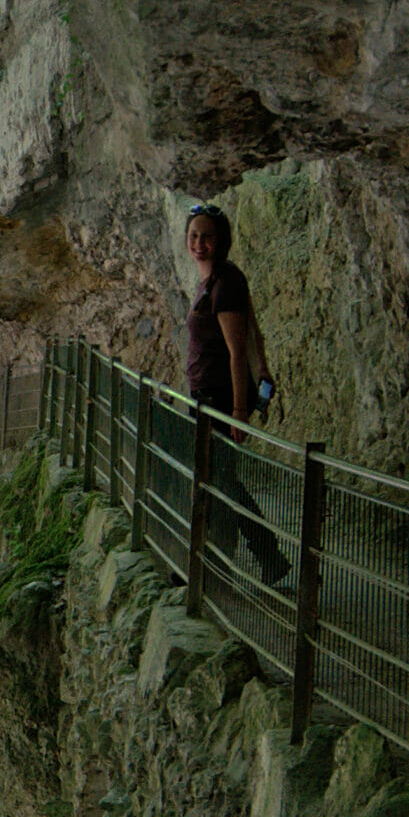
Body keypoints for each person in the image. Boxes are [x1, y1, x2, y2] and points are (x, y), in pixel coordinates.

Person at [184, 207, 290, 589]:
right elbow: (253, 329)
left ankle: (233, 562)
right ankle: (249, 558)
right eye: (194, 235)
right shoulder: (213, 280)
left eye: (207, 236)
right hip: (206, 394)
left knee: (218, 483)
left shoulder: (225, 282)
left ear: (222, 240)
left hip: (218, 397)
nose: (199, 243)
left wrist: (239, 412)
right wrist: (262, 368)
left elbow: (235, 347)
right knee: (219, 481)